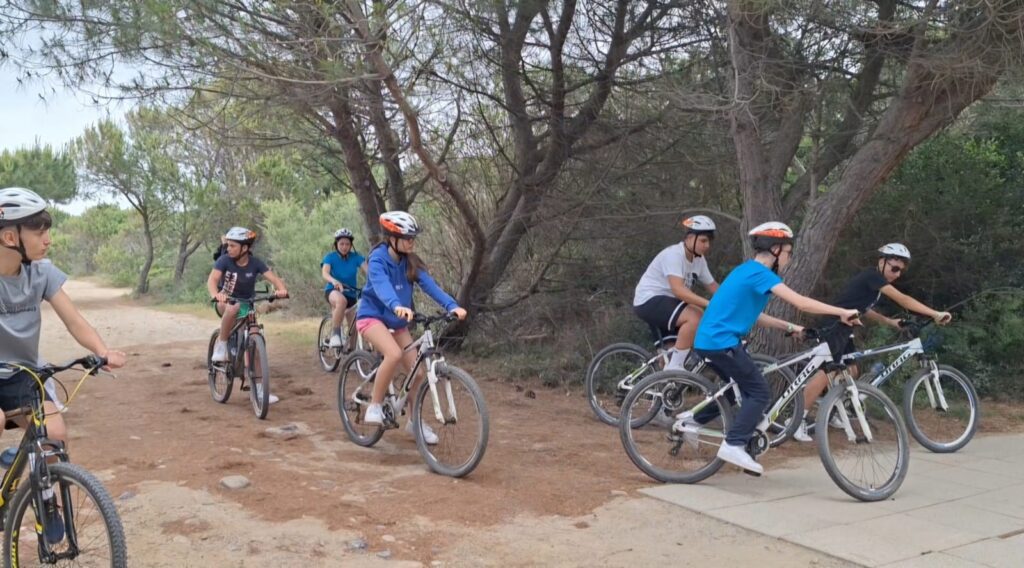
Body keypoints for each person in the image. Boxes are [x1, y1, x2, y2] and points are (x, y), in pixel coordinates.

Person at [679, 222, 860, 475]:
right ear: (775, 249)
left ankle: (691, 420)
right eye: (788, 252)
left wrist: (790, 327)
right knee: (760, 392)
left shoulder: (747, 271)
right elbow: (801, 302)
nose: (789, 258)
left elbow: (755, 315)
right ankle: (734, 444)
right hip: (721, 343)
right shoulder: (761, 274)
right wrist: (841, 312)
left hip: (713, 341)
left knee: (735, 392)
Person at [0, 187, 127, 544]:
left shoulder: (40, 273)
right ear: (11, 236)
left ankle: (48, 501)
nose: (48, 239)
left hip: (24, 373)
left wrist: (103, 351)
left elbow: (74, 320)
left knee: (55, 436)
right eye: (38, 231)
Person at [789, 243, 952, 442]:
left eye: (901, 270)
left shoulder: (874, 285)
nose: (897, 274)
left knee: (852, 370)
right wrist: (935, 314)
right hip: (834, 325)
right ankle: (796, 421)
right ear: (882, 262)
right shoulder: (872, 277)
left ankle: (830, 410)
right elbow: (903, 299)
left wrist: (889, 322)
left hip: (845, 327)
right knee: (828, 373)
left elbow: (865, 309)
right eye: (894, 268)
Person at [355, 211, 467, 444]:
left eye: (413, 237)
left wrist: (452, 306)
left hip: (396, 323)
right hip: (372, 317)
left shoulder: (410, 262)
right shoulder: (377, 259)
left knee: (417, 372)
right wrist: (396, 305)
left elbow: (430, 286)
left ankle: (414, 423)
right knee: (394, 354)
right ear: (392, 238)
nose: (411, 241)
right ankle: (374, 405)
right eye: (407, 237)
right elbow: (381, 285)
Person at [206, 226, 289, 404]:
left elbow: (273, 278)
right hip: (225, 302)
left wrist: (281, 289)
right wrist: (216, 294)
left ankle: (259, 391)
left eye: (233, 246)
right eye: (228, 245)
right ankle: (221, 345)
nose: (228, 249)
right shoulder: (224, 261)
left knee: (256, 342)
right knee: (232, 308)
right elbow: (212, 280)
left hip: (247, 303)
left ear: (245, 248)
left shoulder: (255, 263)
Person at [632, 215, 719, 370]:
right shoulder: (674, 255)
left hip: (668, 305)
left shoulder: (699, 260)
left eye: (709, 242)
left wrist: (732, 302)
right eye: (703, 241)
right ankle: (675, 368)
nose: (707, 246)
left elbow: (713, 286)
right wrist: (710, 304)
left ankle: (664, 385)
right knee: (695, 316)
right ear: (690, 238)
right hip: (649, 300)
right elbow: (678, 290)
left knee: (671, 353)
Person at [321, 228, 366, 349]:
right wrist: (333, 280)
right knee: (341, 301)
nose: (344, 247)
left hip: (351, 294)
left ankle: (351, 354)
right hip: (333, 291)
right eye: (341, 244)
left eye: (347, 244)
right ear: (336, 244)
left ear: (351, 245)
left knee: (354, 325)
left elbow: (369, 271)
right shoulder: (330, 257)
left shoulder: (356, 257)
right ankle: (335, 334)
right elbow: (325, 273)